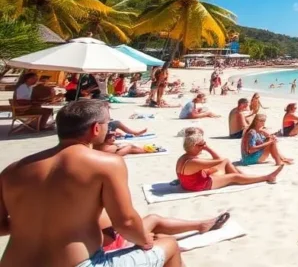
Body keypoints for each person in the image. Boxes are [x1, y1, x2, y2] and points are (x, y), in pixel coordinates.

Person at [0, 99, 184, 266]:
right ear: (96, 128)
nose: (110, 128)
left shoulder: (11, 171)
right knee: (169, 244)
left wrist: (31, 224)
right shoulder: (106, 163)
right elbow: (125, 223)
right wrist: (145, 240)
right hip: (76, 263)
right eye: (108, 123)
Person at [176, 127, 283, 192]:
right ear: (194, 146)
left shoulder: (184, 157)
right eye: (202, 144)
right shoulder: (194, 161)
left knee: (226, 162)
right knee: (233, 176)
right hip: (199, 186)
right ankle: (267, 177)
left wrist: (204, 147)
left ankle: (245, 177)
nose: (204, 145)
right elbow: (219, 160)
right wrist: (207, 148)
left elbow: (221, 161)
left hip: (190, 182)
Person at [97, 209, 229, 255]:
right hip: (113, 247)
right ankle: (200, 225)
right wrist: (140, 238)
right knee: (163, 239)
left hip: (116, 238)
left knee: (153, 219)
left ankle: (201, 225)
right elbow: (105, 241)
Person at [96, 132, 162, 157]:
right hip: (112, 155)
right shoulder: (106, 146)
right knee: (130, 147)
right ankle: (147, 150)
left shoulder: (99, 140)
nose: (114, 138)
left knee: (129, 146)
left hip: (109, 151)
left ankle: (146, 149)